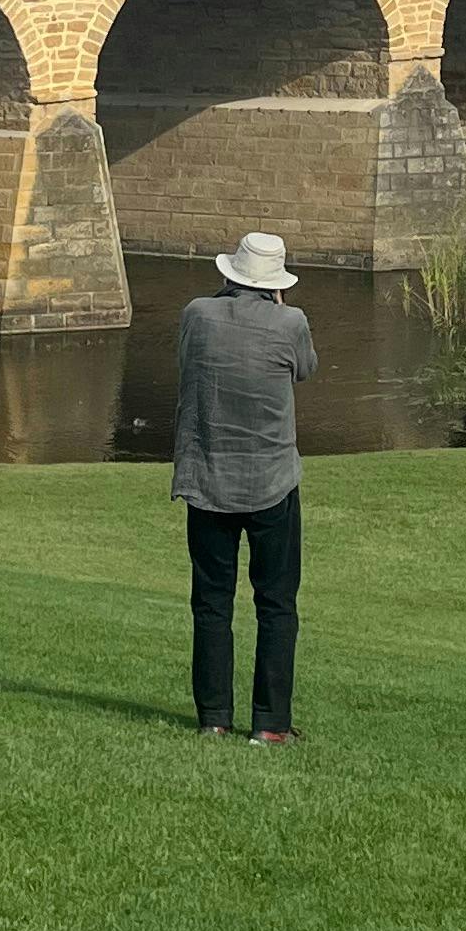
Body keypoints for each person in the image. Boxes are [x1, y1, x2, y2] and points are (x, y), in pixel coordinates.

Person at [173, 229, 315, 742]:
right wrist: (278, 307)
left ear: (229, 275)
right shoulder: (290, 322)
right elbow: (306, 369)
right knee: (276, 603)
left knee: (212, 601)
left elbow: (187, 359)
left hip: (208, 478)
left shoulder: (197, 315)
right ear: (277, 284)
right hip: (271, 482)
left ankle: (213, 719)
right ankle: (271, 725)